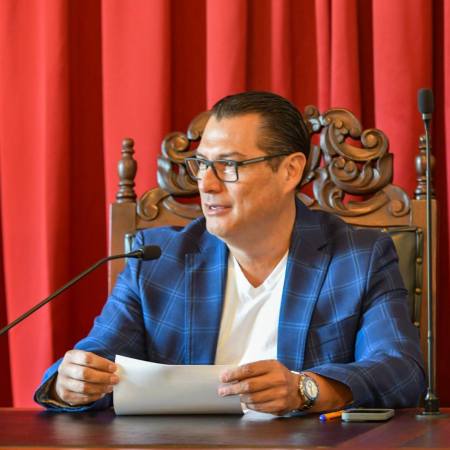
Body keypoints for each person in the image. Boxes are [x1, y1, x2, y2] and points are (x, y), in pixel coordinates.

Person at [35, 91, 425, 414]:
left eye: (229, 166)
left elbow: (401, 370)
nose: (206, 184)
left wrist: (305, 389)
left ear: (290, 171)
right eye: (202, 164)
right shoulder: (157, 260)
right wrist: (70, 383)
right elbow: (96, 356)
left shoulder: (359, 258)